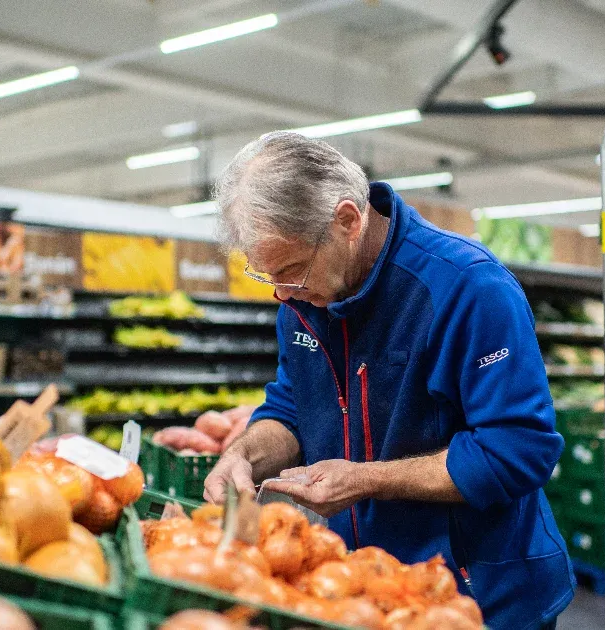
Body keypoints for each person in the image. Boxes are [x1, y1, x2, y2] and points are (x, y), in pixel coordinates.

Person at [202, 132, 574, 629]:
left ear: (348, 221)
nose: (283, 296)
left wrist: (367, 479)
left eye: (292, 270)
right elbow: (292, 408)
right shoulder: (304, 300)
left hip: (479, 595)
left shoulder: (469, 287)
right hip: (366, 589)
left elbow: (517, 450)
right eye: (268, 277)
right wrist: (242, 455)